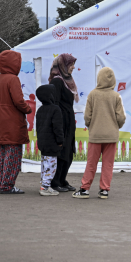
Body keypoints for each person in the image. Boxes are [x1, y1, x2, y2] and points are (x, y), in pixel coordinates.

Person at [73, 67, 126, 199]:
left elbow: (87, 117)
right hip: (111, 136)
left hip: (95, 135)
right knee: (108, 164)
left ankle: (84, 189)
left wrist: (91, 126)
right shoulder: (116, 96)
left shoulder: (92, 94)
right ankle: (104, 190)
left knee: (91, 163)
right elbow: (121, 117)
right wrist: (116, 126)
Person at [0, 50, 32, 194]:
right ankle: (7, 185)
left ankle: (2, 183)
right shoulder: (13, 79)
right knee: (14, 155)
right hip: (13, 122)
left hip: (1, 122)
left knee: (4, 155)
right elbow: (18, 101)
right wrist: (28, 109)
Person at [49, 54, 79, 192]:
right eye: (71, 64)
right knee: (61, 151)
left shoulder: (68, 80)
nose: (73, 67)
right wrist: (58, 123)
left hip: (69, 120)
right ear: (63, 65)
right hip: (62, 121)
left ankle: (62, 179)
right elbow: (54, 104)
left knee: (68, 151)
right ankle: (55, 182)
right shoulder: (57, 81)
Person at [35, 84, 64, 196]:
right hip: (52, 143)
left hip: (43, 142)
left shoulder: (40, 110)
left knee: (44, 164)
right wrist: (60, 140)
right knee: (51, 166)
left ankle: (44, 184)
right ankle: (45, 187)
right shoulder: (55, 109)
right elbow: (58, 127)